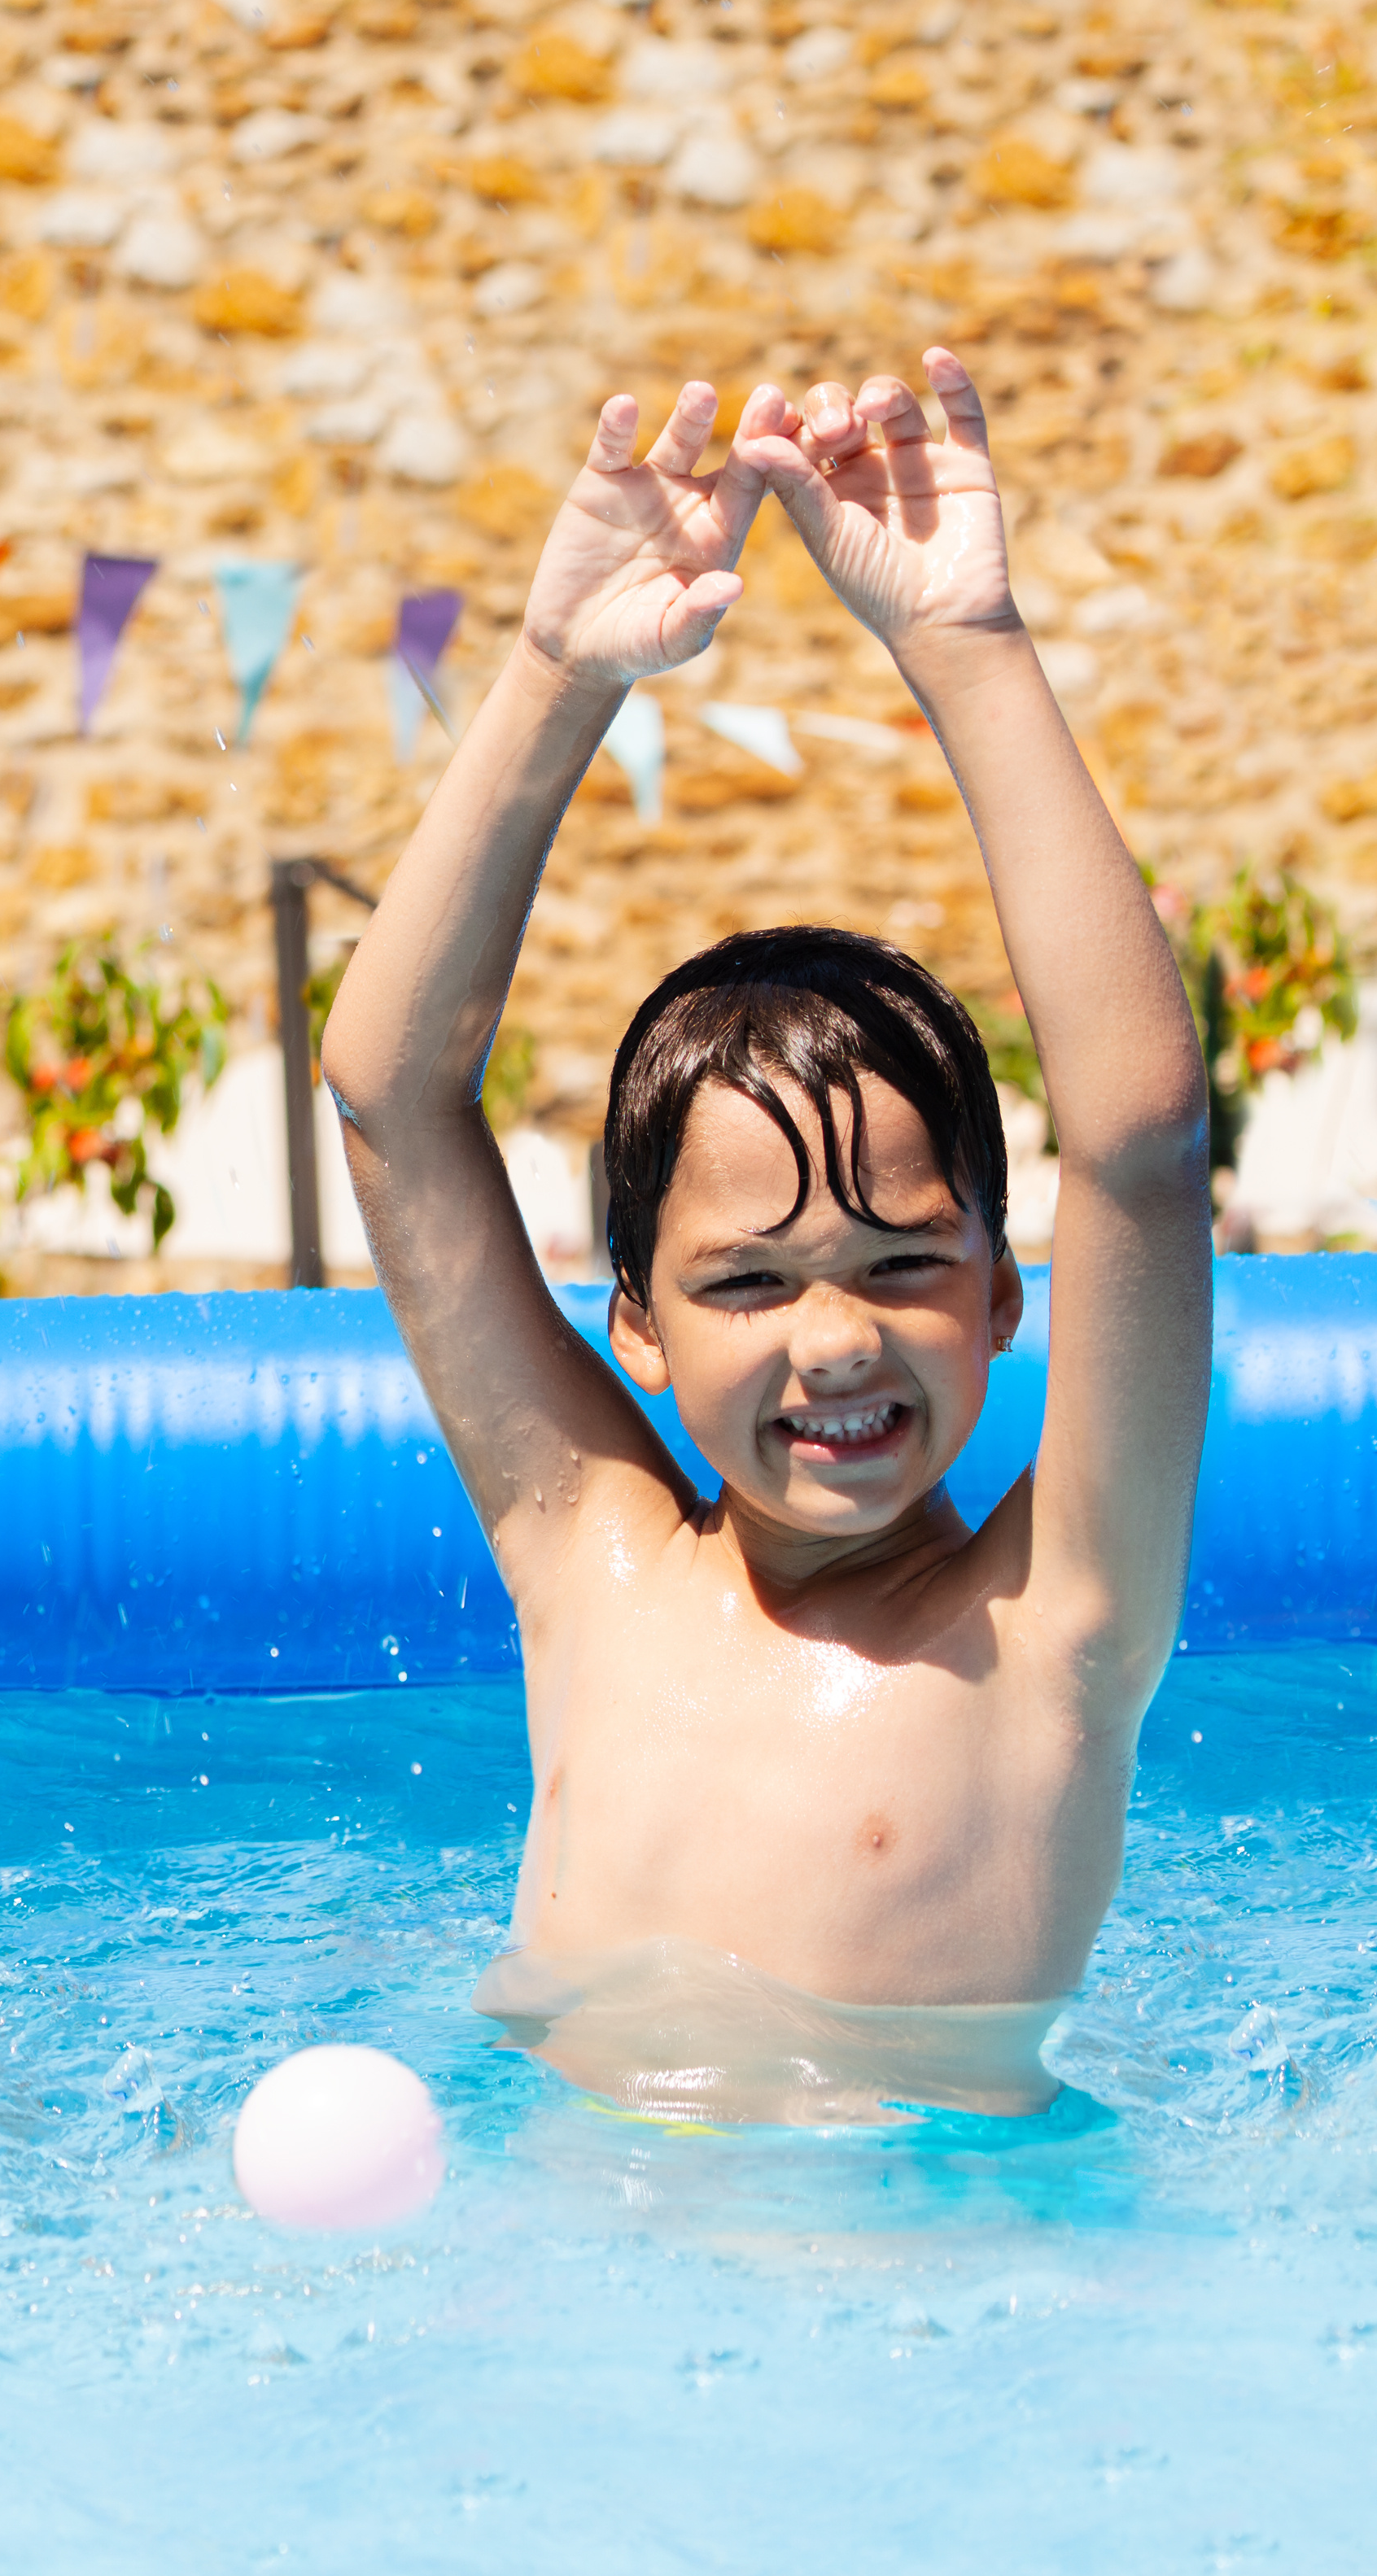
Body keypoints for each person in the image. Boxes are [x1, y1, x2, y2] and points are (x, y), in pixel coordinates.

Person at [317, 359, 1213, 2124]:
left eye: (899, 1265)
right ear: (630, 1323)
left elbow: (1140, 1141)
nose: (834, 1339)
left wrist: (971, 652)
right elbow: (386, 1100)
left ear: (1003, 1292)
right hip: (585, 2316)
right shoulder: (593, 1561)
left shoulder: (1049, 1625)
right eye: (746, 1279)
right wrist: (557, 673)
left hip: (918, 2319)